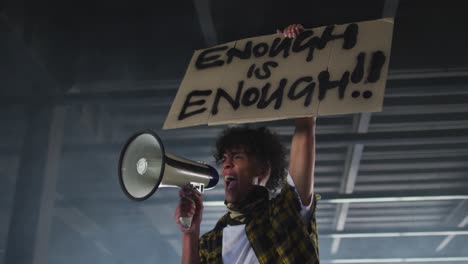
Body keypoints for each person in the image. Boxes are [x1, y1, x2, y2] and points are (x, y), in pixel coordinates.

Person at [174, 25, 319, 264]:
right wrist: (190, 234)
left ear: (263, 170)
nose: (227, 165)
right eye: (225, 159)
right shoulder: (212, 241)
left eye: (238, 157)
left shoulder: (285, 213)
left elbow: (305, 127)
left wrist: (298, 54)